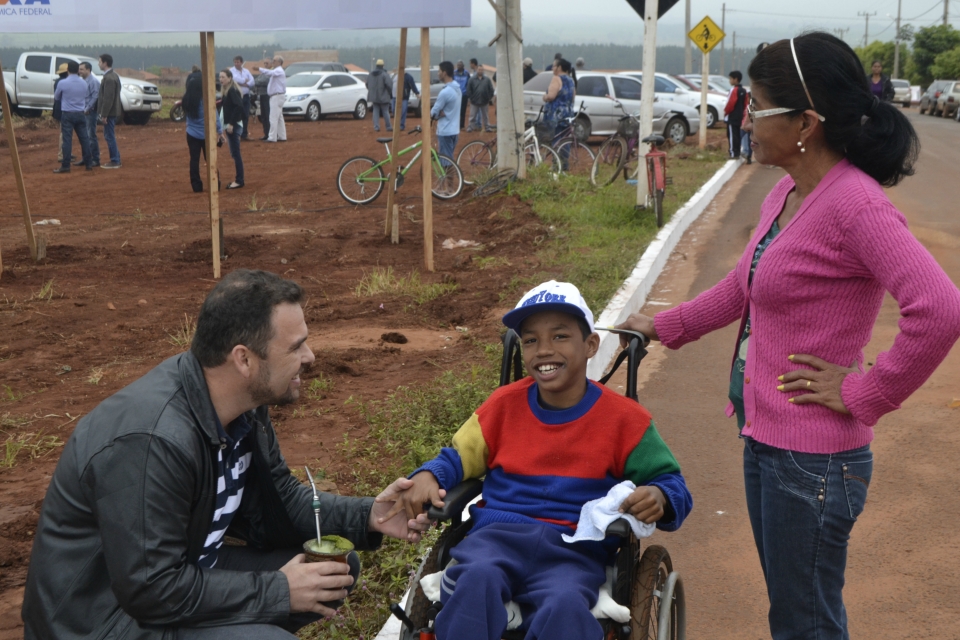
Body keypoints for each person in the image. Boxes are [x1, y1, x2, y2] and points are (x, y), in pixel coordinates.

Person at [617, 32, 960, 640]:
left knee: (805, 623)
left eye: (756, 105)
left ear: (806, 122)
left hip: (816, 459)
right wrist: (666, 325)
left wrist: (866, 393)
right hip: (768, 441)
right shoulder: (789, 190)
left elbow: (938, 307)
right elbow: (745, 285)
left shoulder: (856, 205)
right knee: (793, 611)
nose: (743, 117)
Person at [21, 269, 431, 640]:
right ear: (244, 359)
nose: (310, 357)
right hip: (104, 620)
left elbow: (279, 501)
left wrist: (368, 517)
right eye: (296, 346)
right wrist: (278, 591)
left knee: (332, 571)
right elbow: (150, 589)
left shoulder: (242, 409)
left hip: (176, 579)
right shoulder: (152, 441)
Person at [382, 280, 692, 640]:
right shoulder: (501, 407)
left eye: (560, 336)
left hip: (572, 549)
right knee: (475, 580)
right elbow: (457, 459)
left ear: (590, 344)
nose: (543, 350)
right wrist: (430, 475)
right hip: (496, 538)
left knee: (565, 607)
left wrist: (659, 494)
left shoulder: (626, 420)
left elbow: (674, 485)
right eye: (530, 340)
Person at [182, 73, 223, 193]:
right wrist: (219, 132)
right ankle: (215, 183)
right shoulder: (206, 100)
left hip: (191, 133)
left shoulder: (186, 100)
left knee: (194, 160)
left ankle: (196, 185)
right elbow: (215, 117)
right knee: (210, 160)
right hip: (206, 135)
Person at [53, 60, 93, 174]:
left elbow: (57, 97)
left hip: (67, 113)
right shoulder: (84, 83)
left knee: (67, 140)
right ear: (78, 71)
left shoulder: (62, 83)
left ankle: (66, 166)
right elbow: (85, 95)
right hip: (80, 113)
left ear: (68, 70)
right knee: (84, 139)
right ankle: (88, 164)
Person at [431, 60, 461, 164]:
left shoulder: (445, 92)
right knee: (449, 158)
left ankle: (449, 181)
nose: (438, 73)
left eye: (439, 71)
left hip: (445, 131)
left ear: (444, 73)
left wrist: (438, 114)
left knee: (446, 163)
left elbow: (433, 113)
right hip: (455, 131)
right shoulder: (458, 89)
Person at [220, 69, 245, 189]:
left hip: (233, 126)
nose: (221, 79)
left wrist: (231, 124)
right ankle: (239, 179)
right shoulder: (227, 91)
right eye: (220, 77)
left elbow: (239, 105)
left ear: (229, 78)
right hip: (232, 126)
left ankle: (239, 181)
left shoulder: (231, 91)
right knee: (234, 153)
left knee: (235, 153)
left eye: (223, 77)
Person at [97, 53, 122, 169]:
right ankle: (116, 158)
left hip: (110, 113)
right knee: (110, 135)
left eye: (100, 61)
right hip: (112, 112)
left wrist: (104, 114)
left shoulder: (109, 78)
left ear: (105, 63)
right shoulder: (114, 76)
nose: (98, 64)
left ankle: (115, 160)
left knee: (109, 136)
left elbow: (108, 98)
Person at [542, 58, 575, 144]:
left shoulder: (556, 78)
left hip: (556, 115)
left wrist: (545, 97)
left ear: (559, 67)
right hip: (568, 114)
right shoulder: (571, 80)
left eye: (553, 66)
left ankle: (556, 157)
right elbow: (573, 98)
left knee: (556, 138)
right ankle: (564, 157)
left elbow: (551, 96)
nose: (552, 68)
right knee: (565, 139)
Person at [258, 56, 287, 142]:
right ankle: (282, 136)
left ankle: (272, 137)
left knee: (273, 118)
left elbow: (270, 73)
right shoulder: (278, 70)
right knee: (279, 118)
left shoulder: (278, 70)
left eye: (274, 61)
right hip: (278, 96)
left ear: (279, 62)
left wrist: (259, 69)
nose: (273, 62)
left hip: (276, 96)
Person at [78, 61, 101, 168]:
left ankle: (95, 159)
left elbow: (95, 97)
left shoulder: (93, 82)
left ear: (88, 70)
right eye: (79, 69)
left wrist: (87, 109)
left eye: (82, 69)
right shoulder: (83, 81)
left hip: (90, 112)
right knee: (85, 136)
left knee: (91, 136)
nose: (80, 71)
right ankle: (86, 158)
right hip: (83, 111)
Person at [724, 70, 747, 159]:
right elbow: (745, 104)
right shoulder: (744, 90)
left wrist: (726, 112)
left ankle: (733, 153)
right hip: (739, 116)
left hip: (732, 116)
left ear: (735, 79)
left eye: (730, 79)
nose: (730, 81)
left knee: (732, 136)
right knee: (737, 135)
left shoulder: (734, 90)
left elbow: (730, 103)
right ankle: (737, 152)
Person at [231, 56, 255, 140]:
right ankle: (236, 134)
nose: (236, 64)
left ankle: (244, 134)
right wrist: (244, 80)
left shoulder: (246, 71)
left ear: (241, 62)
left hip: (246, 96)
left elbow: (252, 81)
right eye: (235, 62)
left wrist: (246, 84)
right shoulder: (231, 71)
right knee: (237, 115)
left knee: (245, 115)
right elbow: (235, 80)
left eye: (238, 62)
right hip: (237, 96)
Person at [465, 65, 495, 133]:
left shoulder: (487, 80)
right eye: (479, 69)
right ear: (477, 70)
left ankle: (487, 127)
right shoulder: (472, 79)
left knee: (486, 116)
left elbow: (491, 90)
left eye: (481, 70)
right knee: (472, 116)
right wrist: (471, 98)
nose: (480, 71)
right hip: (474, 101)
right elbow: (468, 90)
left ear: (483, 70)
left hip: (484, 101)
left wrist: (489, 98)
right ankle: (470, 127)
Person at [366, 59, 393, 133]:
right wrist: (389, 93)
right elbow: (389, 85)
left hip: (374, 96)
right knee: (385, 111)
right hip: (383, 96)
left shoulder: (370, 74)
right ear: (383, 66)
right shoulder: (384, 74)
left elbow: (367, 84)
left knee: (375, 111)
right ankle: (388, 127)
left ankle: (376, 127)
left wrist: (372, 91)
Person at [52, 63, 69, 165]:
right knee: (64, 133)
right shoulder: (63, 82)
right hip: (63, 110)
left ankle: (65, 153)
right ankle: (62, 154)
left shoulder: (58, 81)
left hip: (59, 110)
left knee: (64, 132)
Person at [255, 67, 272, 140]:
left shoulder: (271, 73)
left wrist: (258, 81)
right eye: (264, 64)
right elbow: (255, 81)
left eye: (267, 64)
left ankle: (270, 134)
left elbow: (266, 81)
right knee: (263, 116)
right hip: (261, 95)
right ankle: (266, 133)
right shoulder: (262, 74)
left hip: (267, 96)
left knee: (268, 115)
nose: (265, 65)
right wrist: (258, 81)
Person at [453, 60, 470, 129]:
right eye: (458, 65)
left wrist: (467, 91)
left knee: (463, 111)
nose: (459, 66)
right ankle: (455, 125)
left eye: (460, 65)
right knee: (455, 110)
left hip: (464, 94)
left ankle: (462, 125)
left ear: (463, 66)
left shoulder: (466, 74)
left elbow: (469, 83)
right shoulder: (454, 73)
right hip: (456, 94)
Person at [740, 85, 752, 164]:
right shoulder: (748, 106)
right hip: (748, 126)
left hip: (746, 126)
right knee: (748, 140)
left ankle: (745, 152)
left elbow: (747, 117)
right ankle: (748, 156)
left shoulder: (749, 107)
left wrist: (743, 125)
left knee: (743, 138)